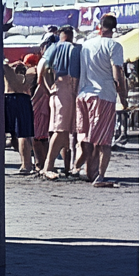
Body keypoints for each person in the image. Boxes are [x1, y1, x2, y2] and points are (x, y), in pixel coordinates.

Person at [74, 14, 128, 187]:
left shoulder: (86, 45)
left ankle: (85, 170)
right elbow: (117, 73)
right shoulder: (114, 45)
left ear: (99, 27)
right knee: (104, 140)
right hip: (103, 94)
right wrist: (123, 97)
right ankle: (100, 176)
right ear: (114, 29)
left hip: (84, 94)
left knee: (87, 137)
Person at [39, 26, 81, 180]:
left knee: (64, 129)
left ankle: (60, 166)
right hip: (69, 88)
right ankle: (48, 167)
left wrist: (48, 86)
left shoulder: (54, 48)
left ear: (60, 34)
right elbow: (42, 68)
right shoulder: (76, 48)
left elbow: (42, 68)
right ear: (71, 35)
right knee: (62, 130)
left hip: (60, 87)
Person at [3, 59, 38, 174]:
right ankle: (26, 164)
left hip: (8, 98)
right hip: (22, 99)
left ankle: (26, 162)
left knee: (14, 135)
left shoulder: (7, 69)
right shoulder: (32, 71)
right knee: (23, 134)